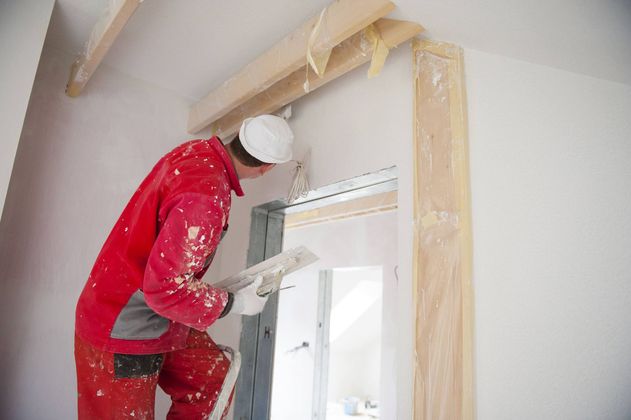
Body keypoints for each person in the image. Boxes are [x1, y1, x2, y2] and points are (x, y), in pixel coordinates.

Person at [74, 114, 294, 419]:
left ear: (239, 136)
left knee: (213, 381)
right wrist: (237, 302)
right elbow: (164, 290)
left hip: (153, 309)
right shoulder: (207, 197)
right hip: (124, 323)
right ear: (267, 167)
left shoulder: (197, 152)